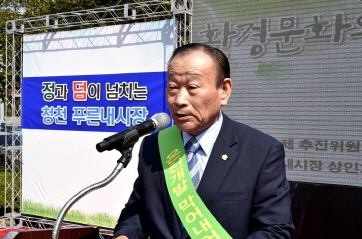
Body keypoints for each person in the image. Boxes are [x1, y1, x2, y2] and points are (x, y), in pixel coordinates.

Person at [113, 43, 294, 239]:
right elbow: (138, 212)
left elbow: (275, 230)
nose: (179, 100)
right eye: (173, 88)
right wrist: (125, 236)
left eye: (192, 87)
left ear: (224, 90)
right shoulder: (154, 145)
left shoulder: (261, 151)